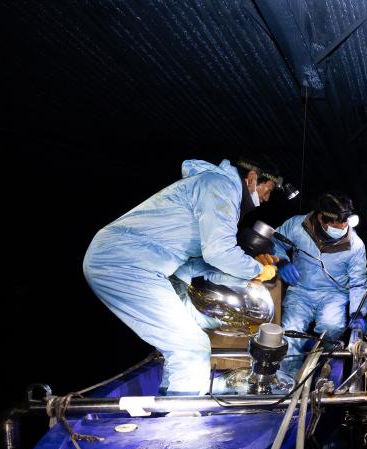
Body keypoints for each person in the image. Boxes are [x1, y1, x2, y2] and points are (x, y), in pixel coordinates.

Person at [83, 158, 279, 394]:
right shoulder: (220, 186)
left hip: (137, 262)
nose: (267, 198)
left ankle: (173, 396)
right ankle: (182, 410)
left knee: (191, 329)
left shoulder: (213, 187)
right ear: (252, 178)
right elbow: (219, 252)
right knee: (190, 346)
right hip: (124, 262)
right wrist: (256, 270)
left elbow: (199, 263)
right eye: (268, 190)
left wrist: (247, 274)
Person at [272, 192, 367, 374]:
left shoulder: (355, 245)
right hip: (300, 290)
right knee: (290, 334)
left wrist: (358, 314)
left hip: (333, 294)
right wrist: (281, 261)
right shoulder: (297, 226)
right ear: (321, 219)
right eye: (336, 224)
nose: (342, 227)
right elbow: (276, 242)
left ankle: (323, 364)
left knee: (332, 326)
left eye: (345, 223)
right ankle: (288, 380)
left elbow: (358, 281)